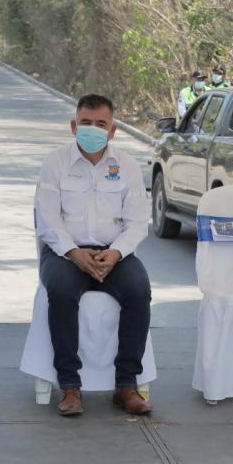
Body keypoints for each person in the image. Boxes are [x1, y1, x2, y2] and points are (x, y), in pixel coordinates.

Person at [35, 94, 153, 417]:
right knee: (60, 291)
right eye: (86, 122)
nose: (93, 129)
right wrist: (73, 253)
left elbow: (137, 223)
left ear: (112, 130)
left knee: (139, 290)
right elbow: (47, 219)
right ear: (74, 126)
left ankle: (126, 385)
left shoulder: (127, 166)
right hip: (64, 254)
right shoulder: (54, 163)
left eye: (101, 124)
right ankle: (70, 387)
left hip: (114, 254)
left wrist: (115, 253)